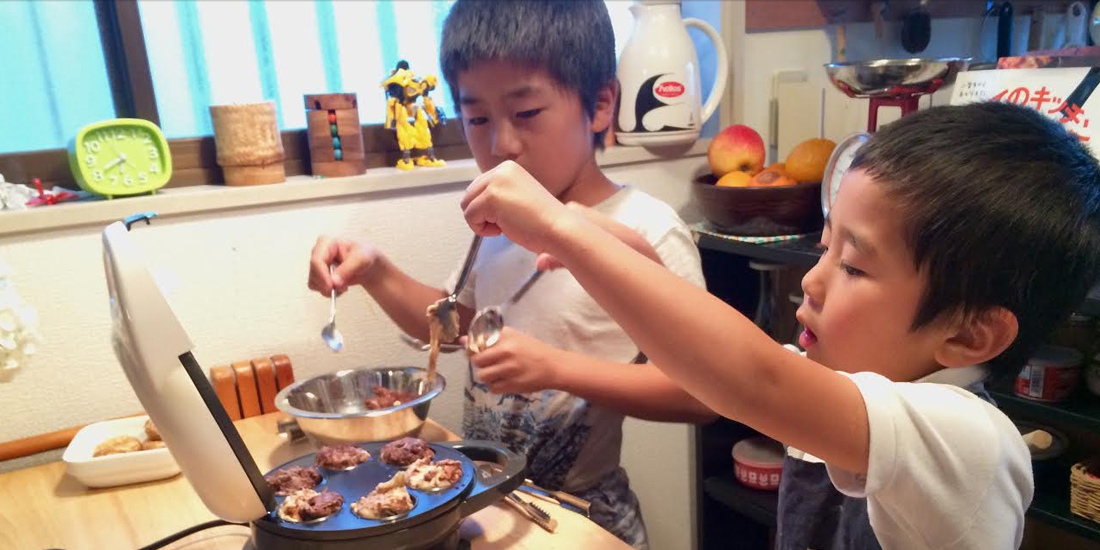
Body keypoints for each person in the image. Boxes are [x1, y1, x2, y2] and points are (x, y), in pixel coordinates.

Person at [459, 102, 1100, 549]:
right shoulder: (841, 385)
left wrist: (560, 229)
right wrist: (627, 253)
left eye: (853, 266)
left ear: (968, 336)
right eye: (824, 248)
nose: (811, 281)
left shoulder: (969, 440)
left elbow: (750, 376)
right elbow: (711, 361)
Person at [307, 2, 715, 547]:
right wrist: (376, 270)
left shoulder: (647, 229)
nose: (501, 145)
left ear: (600, 104)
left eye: (525, 113)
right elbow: (456, 325)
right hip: (490, 502)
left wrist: (556, 368)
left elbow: (702, 394)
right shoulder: (499, 223)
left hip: (584, 514)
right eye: (477, 119)